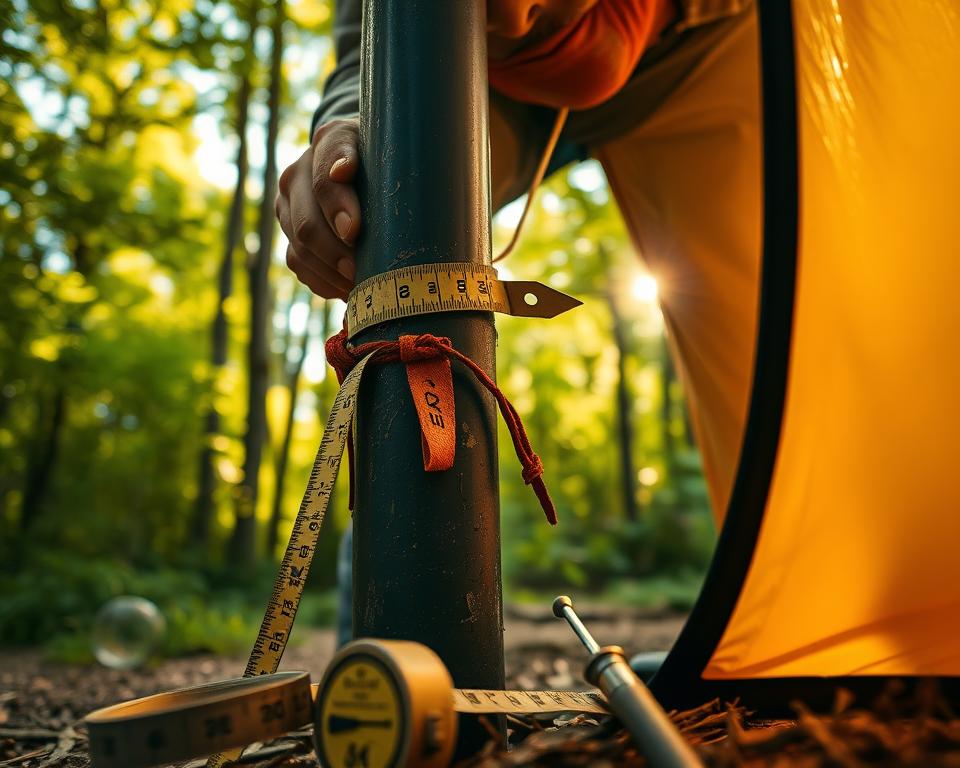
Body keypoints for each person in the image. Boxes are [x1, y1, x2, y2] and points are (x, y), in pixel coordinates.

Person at [276, 0, 761, 644]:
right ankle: (392, 659)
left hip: (714, 43)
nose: (506, 13)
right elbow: (362, 42)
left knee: (769, 352)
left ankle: (820, 606)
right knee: (381, 199)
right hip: (473, 71)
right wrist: (350, 122)